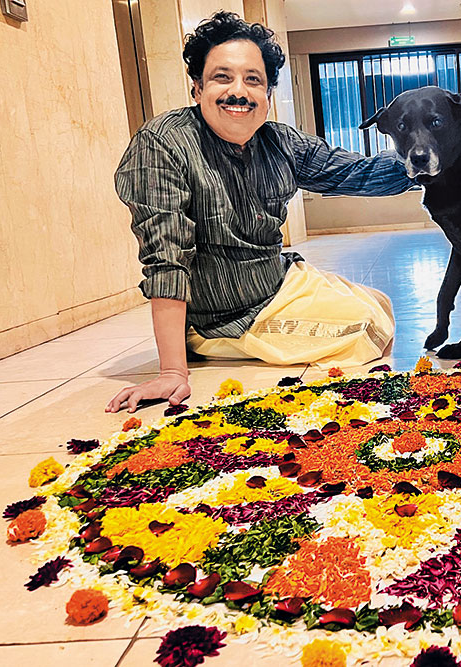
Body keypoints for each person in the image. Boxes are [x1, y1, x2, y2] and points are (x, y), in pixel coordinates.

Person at [106, 12, 413, 413]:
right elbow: (166, 259)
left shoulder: (279, 142)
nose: (239, 92)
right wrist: (172, 372)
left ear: (267, 92)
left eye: (253, 80)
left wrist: (450, 152)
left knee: (380, 304)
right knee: (364, 330)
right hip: (222, 314)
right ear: (197, 87)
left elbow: (358, 172)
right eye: (222, 78)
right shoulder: (163, 144)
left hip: (278, 282)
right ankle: (213, 345)